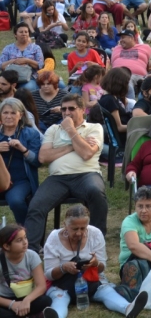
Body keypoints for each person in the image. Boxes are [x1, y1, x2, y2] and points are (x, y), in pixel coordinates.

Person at [25, 94, 106, 253]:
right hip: (58, 178)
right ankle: (31, 252)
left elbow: (86, 154)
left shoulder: (94, 128)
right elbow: (43, 157)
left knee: (96, 193)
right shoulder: (53, 129)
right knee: (36, 205)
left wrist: (70, 129)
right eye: (63, 109)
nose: (66, 112)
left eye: (71, 108)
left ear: (82, 110)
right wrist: (73, 145)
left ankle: (96, 243)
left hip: (86, 174)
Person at [44, 205, 148, 318]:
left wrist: (96, 264)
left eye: (83, 228)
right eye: (74, 229)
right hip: (63, 286)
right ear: (65, 225)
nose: (79, 233)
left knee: (106, 292)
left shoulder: (95, 234)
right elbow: (49, 274)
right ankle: (56, 316)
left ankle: (128, 308)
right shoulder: (54, 238)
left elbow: (102, 267)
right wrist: (63, 268)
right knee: (60, 299)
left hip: (91, 282)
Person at [0, 224, 57, 318]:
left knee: (45, 301)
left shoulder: (31, 256)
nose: (25, 242)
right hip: (5, 300)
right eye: (19, 240)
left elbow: (41, 286)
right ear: (6, 246)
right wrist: (12, 304)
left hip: (27, 296)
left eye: (25, 238)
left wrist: (27, 300)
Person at [0, 99, 39, 225]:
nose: (9, 116)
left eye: (13, 113)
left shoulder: (30, 133)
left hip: (20, 181)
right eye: (5, 113)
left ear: (20, 115)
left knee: (16, 201)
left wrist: (23, 149)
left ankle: (25, 233)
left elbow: (37, 161)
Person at [1, 24, 44, 92]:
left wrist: (27, 60)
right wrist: (14, 61)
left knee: (26, 88)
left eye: (26, 32)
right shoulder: (8, 48)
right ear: (15, 34)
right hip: (10, 79)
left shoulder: (35, 48)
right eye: (21, 32)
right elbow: (2, 66)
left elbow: (40, 65)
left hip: (30, 77)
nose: (24, 34)